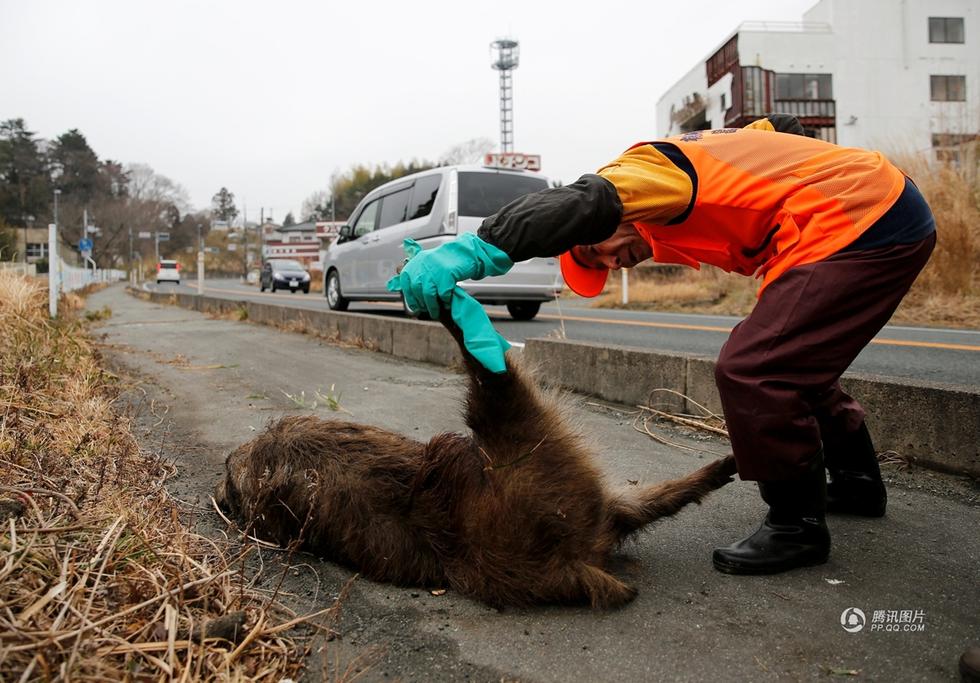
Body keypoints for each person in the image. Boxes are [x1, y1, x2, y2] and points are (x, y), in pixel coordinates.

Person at [387, 114, 936, 575]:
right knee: (797, 364)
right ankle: (858, 484)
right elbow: (776, 127)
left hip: (855, 218)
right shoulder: (692, 177)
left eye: (596, 249)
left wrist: (475, 250)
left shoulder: (645, 173)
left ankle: (797, 527)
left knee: (756, 368)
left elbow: (585, 200)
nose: (610, 261)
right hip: (862, 213)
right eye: (598, 266)